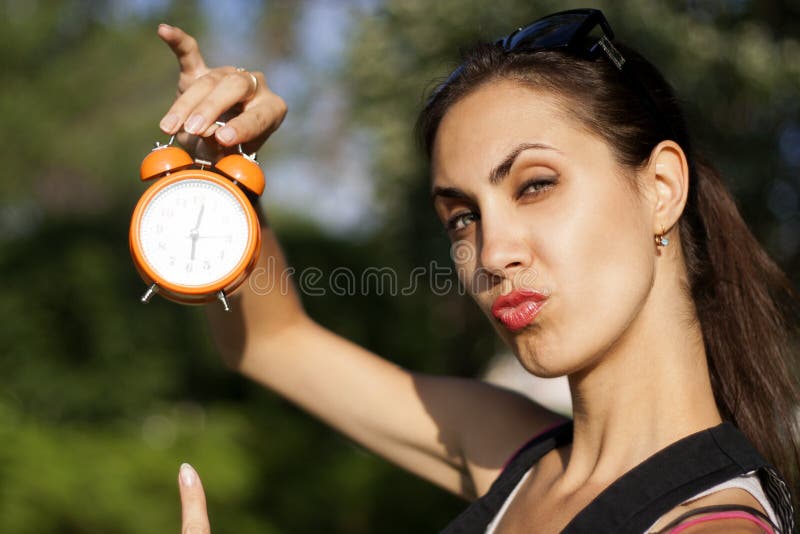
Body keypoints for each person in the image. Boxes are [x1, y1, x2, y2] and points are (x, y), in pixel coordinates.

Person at [156, 8, 799, 533]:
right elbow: (272, 343)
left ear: (660, 188)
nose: (492, 254)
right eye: (462, 217)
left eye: (535, 185)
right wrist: (225, 170)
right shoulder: (518, 455)